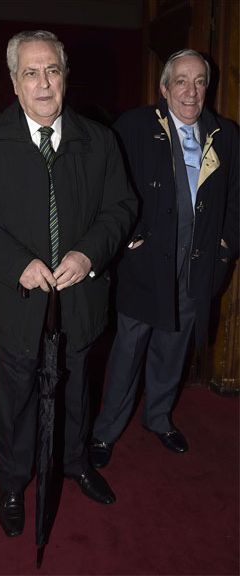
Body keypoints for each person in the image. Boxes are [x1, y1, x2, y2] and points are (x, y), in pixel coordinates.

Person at [0, 30, 137, 537]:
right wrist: (19, 264)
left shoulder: (99, 139)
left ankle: (76, 461)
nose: (43, 82)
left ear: (65, 76)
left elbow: (121, 207)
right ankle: (13, 480)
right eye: (30, 72)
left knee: (77, 386)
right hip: (18, 297)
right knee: (17, 392)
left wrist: (88, 253)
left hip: (81, 294)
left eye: (52, 70)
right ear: (14, 82)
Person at [89, 49, 239, 469]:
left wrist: (225, 246)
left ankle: (158, 418)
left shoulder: (225, 134)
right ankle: (105, 432)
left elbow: (236, 200)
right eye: (181, 81)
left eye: (200, 82)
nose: (191, 92)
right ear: (164, 88)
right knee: (129, 346)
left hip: (199, 261)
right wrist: (128, 238)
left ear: (208, 87)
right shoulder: (134, 126)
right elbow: (110, 188)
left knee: (173, 345)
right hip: (146, 260)